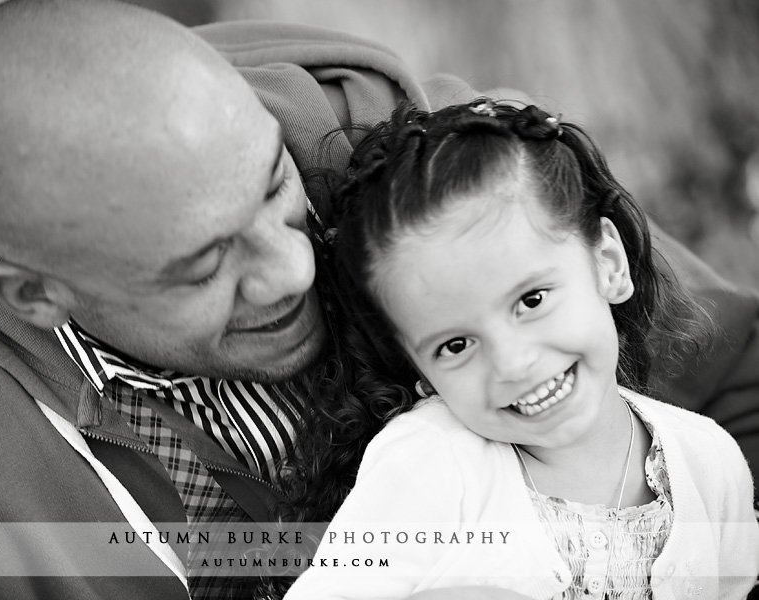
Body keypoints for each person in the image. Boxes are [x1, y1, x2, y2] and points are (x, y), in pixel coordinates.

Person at [0, 0, 756, 598]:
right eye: (205, 265)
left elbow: (734, 370)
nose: (294, 267)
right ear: (37, 292)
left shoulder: (428, 176)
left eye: (271, 185)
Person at [283, 100, 759, 600]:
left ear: (608, 263)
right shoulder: (432, 465)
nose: (512, 363)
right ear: (418, 368)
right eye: (456, 344)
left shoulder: (709, 461)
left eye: (531, 301)